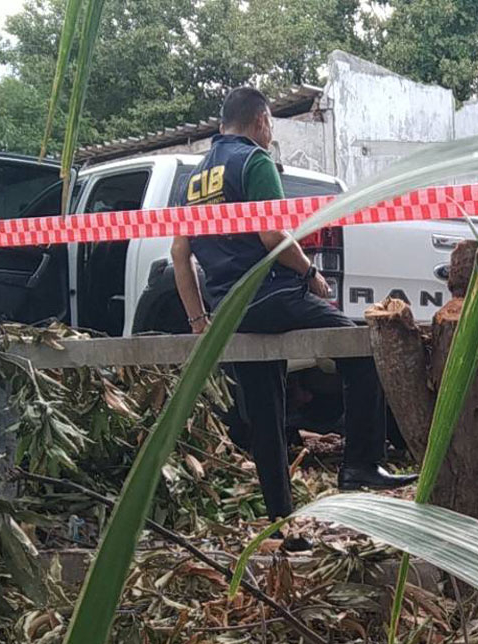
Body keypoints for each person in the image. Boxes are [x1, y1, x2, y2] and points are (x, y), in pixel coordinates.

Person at [171, 87, 414, 527]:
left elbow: (179, 256)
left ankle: (280, 518)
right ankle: (360, 463)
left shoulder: (193, 181)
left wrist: (200, 321)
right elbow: (272, 238)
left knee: (265, 409)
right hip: (274, 295)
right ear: (262, 121)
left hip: (229, 311)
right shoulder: (254, 162)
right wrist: (309, 275)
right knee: (360, 348)